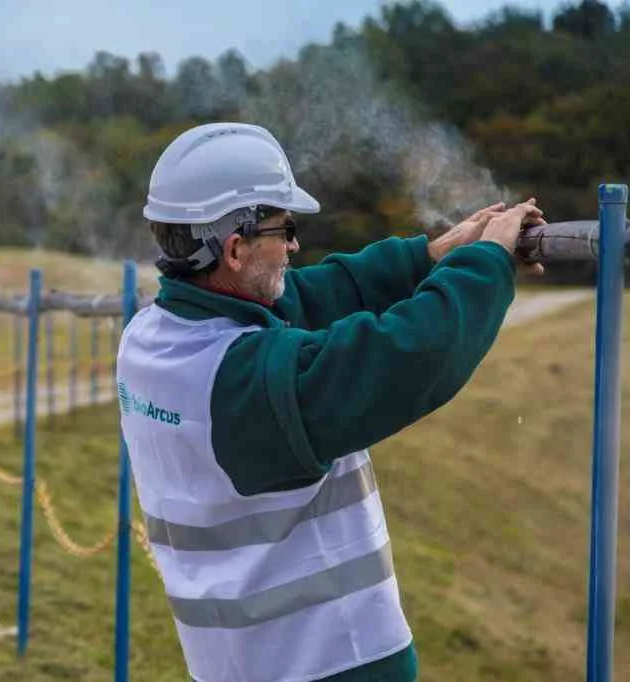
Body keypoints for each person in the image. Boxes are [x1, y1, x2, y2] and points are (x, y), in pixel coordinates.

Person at [114, 122, 546, 682]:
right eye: (284, 228)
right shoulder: (245, 379)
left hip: (234, 663)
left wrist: (431, 255)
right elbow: (408, 356)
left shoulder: (152, 337)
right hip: (332, 660)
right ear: (237, 248)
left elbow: (307, 297)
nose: (295, 245)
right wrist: (486, 261)